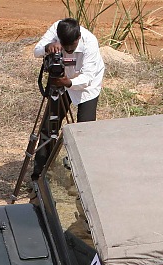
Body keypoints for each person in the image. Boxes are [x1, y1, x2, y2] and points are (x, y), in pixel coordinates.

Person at [31, 18, 105, 181]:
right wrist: (47, 47)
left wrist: (69, 82)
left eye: (72, 47)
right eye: (65, 47)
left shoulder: (90, 41)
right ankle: (40, 174)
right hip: (60, 82)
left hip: (86, 86)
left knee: (84, 129)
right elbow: (36, 51)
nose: (69, 50)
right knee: (49, 127)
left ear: (78, 37)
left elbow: (88, 77)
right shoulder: (55, 29)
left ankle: (82, 174)